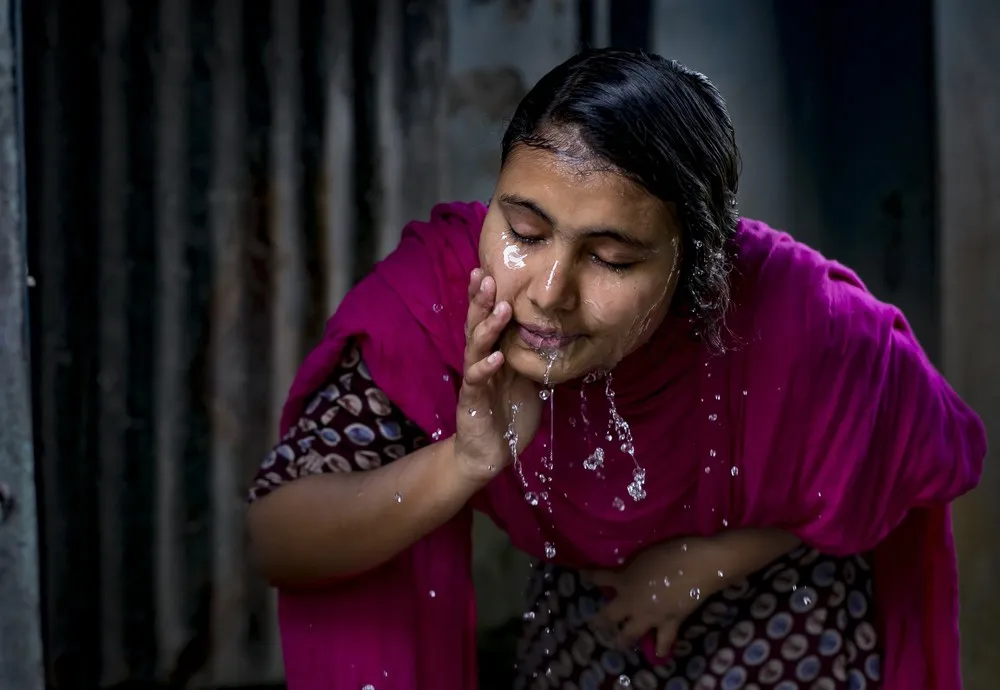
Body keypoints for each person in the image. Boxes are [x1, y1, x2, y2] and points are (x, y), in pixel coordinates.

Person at [245, 49, 986, 690]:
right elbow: (283, 538)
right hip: (592, 616)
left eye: (611, 258)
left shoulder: (799, 318)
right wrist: (462, 464)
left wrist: (708, 561)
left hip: (790, 612)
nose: (548, 291)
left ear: (697, 264)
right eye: (524, 232)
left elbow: (926, 452)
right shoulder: (440, 303)